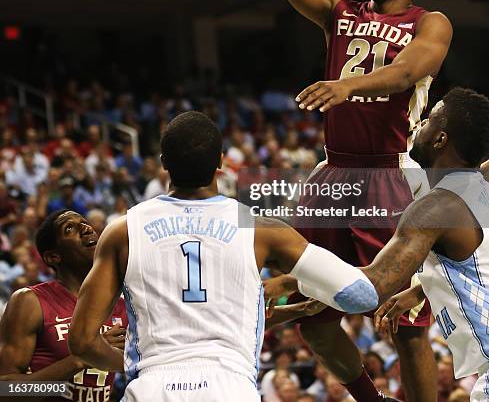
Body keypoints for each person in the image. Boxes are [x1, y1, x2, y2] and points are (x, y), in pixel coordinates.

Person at [177, 0, 453, 402]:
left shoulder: (429, 22)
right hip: (333, 172)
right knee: (314, 316)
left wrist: (348, 86)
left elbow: (408, 70)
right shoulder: (337, 8)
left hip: (387, 175)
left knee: (407, 319)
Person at [68, 112, 387, 402]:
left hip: (152, 386)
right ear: (221, 161)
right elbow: (359, 295)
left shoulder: (122, 231)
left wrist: (131, 363)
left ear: (163, 162)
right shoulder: (262, 230)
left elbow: (81, 342)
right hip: (230, 387)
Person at [267, 88, 489, 402]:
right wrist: (421, 287)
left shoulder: (436, 207)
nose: (417, 126)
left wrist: (292, 275)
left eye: (427, 122)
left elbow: (367, 289)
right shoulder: (479, 185)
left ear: (441, 140)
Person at [0, 209, 128, 402]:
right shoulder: (30, 301)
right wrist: (83, 357)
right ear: (53, 257)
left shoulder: (120, 305)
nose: (86, 229)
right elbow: (7, 391)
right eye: (70, 228)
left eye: (85, 223)